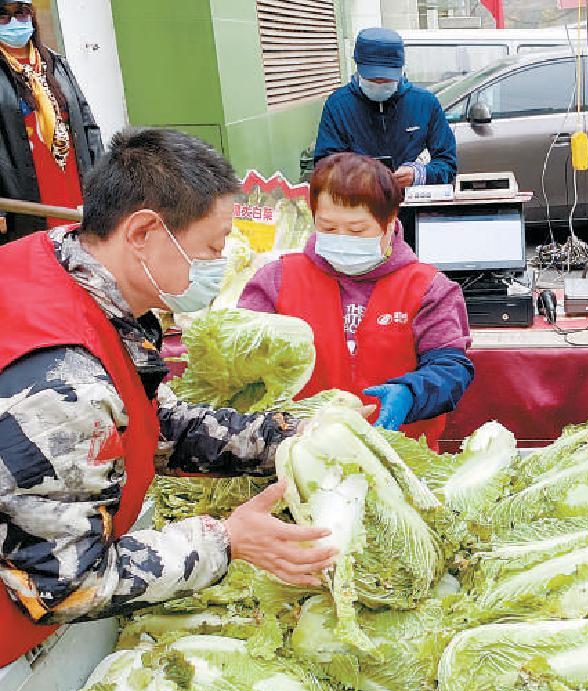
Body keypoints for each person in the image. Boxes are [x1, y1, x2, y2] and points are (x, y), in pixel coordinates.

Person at [0, 128, 339, 641]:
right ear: (141, 233)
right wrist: (226, 540)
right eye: (212, 245)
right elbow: (64, 584)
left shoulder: (58, 260)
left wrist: (291, 438)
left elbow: (152, 424)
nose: (220, 260)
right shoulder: (61, 383)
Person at [240, 153, 472, 444]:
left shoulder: (428, 288)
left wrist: (411, 393)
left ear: (389, 224)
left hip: (398, 458)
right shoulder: (277, 279)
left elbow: (451, 368)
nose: (341, 238)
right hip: (300, 455)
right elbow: (242, 360)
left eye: (357, 230)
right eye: (328, 228)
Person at [0, 0, 100, 243]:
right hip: (23, 190)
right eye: (4, 16)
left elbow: (88, 126)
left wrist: (102, 184)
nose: (14, 22)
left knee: (78, 253)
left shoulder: (56, 64)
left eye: (21, 13)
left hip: (71, 181)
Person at [314, 28, 456, 190]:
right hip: (358, 208)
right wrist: (359, 176)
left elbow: (447, 163)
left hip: (411, 207)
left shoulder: (425, 103)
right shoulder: (338, 106)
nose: (380, 84)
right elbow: (324, 167)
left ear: (400, 69)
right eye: (373, 79)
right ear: (359, 68)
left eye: (387, 79)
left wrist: (419, 174)